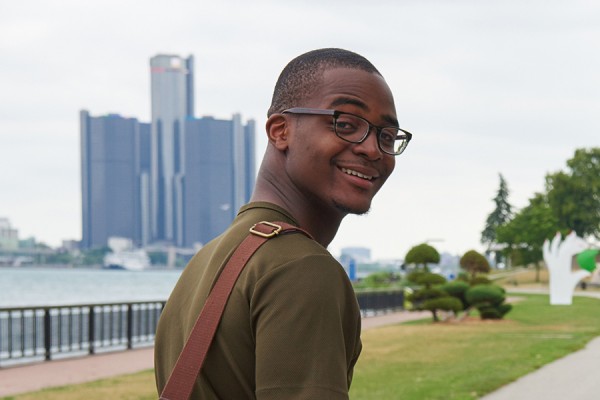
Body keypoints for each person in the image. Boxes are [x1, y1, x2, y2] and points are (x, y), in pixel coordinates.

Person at [154, 48, 412, 399]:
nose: (372, 149)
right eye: (346, 124)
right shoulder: (303, 268)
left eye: (386, 136)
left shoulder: (208, 259)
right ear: (280, 131)